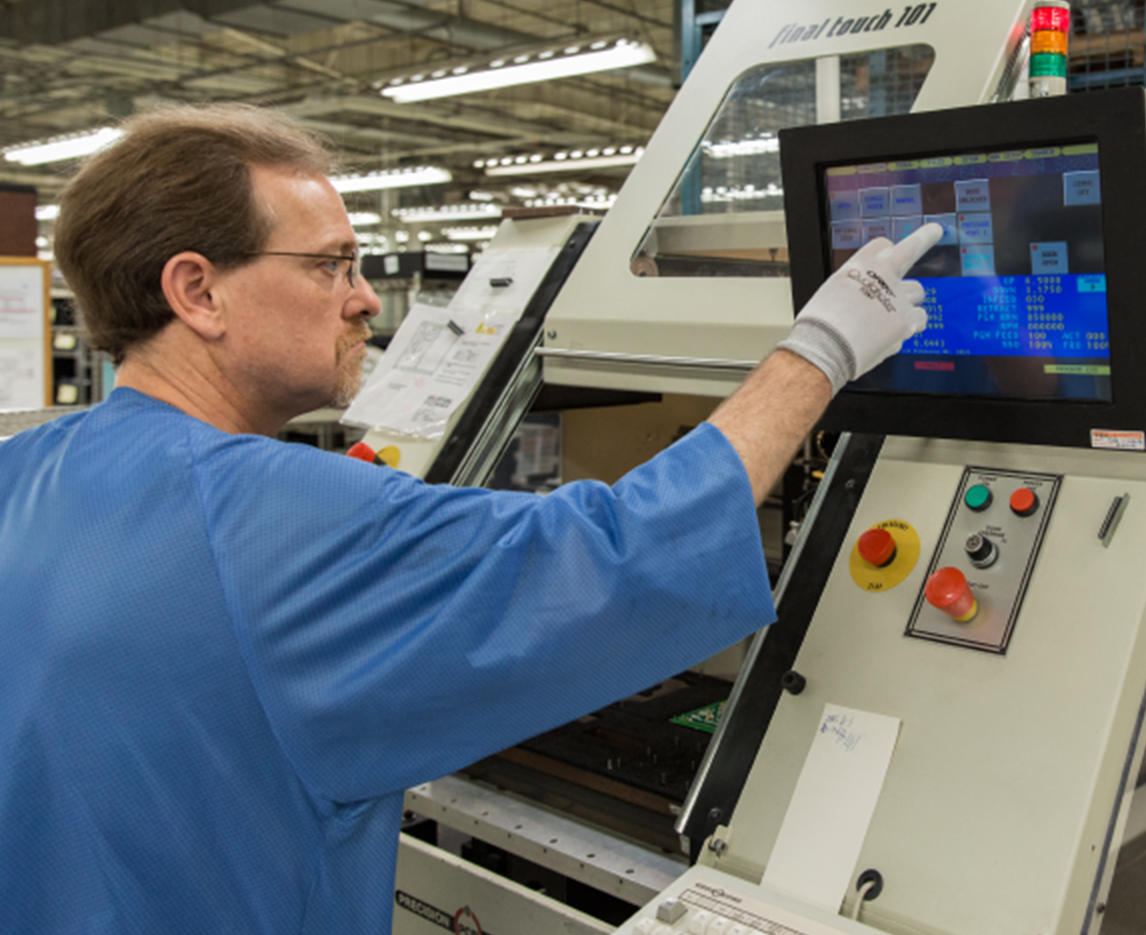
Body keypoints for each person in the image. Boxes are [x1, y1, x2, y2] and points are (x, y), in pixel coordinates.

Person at [0, 104, 939, 933]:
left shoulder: (20, 474)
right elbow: (606, 559)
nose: (365, 299)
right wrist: (816, 352)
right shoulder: (277, 515)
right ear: (197, 291)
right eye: (332, 265)